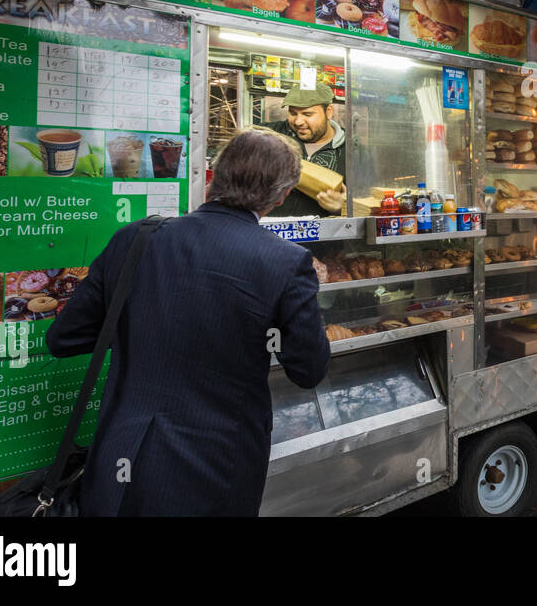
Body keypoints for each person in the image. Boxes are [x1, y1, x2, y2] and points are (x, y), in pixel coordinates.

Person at [47, 127, 331, 516]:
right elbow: (309, 369)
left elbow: (65, 338)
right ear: (281, 196)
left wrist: (145, 327)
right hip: (214, 470)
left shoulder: (136, 238)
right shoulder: (286, 262)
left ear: (213, 176)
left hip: (119, 457)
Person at [266, 85, 349, 217]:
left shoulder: (353, 151)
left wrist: (342, 207)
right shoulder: (271, 136)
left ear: (328, 112)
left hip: (324, 236)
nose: (298, 121)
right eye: (293, 113)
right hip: (270, 233)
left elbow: (367, 206)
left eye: (307, 114)